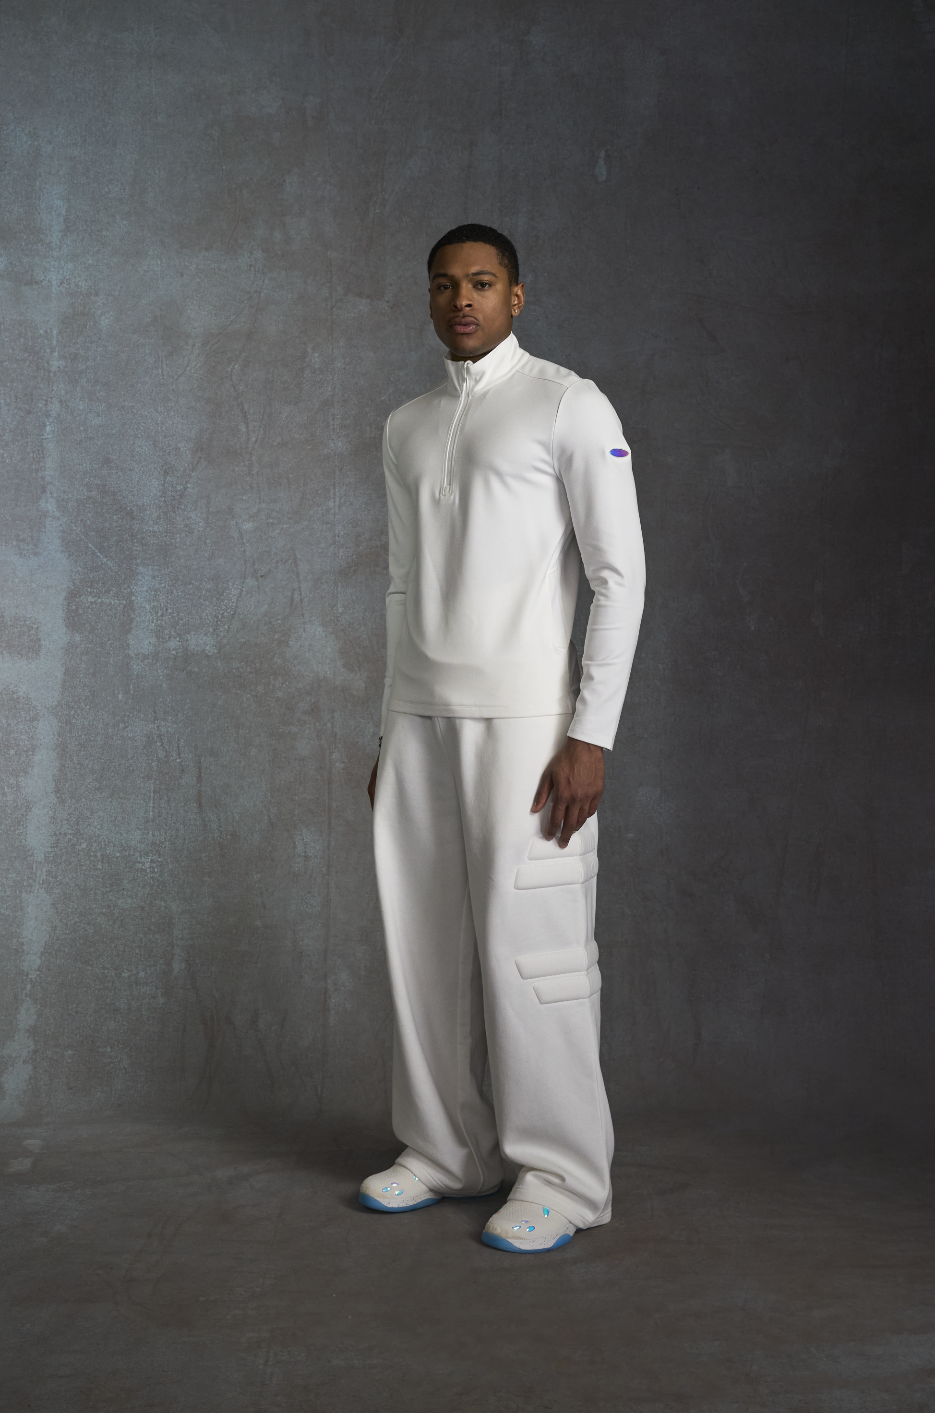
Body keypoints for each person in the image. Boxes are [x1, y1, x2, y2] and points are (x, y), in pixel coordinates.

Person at [359, 223, 645, 1253]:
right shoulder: (406, 425)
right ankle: (446, 1150)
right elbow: (401, 587)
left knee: (534, 951)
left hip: (529, 727)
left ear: (515, 296)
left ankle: (561, 1175)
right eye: (444, 285)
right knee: (422, 947)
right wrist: (389, 726)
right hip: (420, 721)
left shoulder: (569, 404)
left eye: (481, 283)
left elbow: (619, 577)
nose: (461, 301)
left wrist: (590, 734)